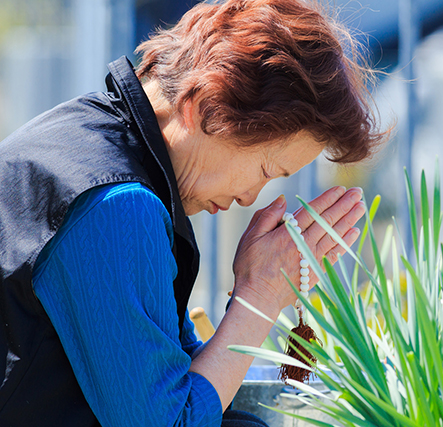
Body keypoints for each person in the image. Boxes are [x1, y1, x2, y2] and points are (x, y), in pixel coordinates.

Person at [0, 0, 384, 426]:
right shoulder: (117, 205)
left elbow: (180, 382)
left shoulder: (91, 140)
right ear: (202, 105)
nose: (250, 197)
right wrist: (260, 295)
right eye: (263, 170)